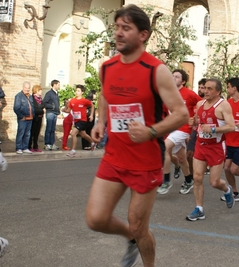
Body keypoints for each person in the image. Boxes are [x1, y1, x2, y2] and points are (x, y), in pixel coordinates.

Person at [85, 5, 189, 267]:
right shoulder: (107, 67)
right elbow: (106, 94)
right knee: (95, 219)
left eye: (126, 28)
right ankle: (129, 238)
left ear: (143, 34)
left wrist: (151, 131)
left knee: (139, 226)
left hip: (145, 161)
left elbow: (181, 114)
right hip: (114, 156)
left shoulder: (156, 70)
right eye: (117, 27)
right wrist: (101, 120)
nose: (118, 33)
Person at [186, 78, 236, 221]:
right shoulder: (200, 103)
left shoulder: (223, 106)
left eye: (209, 89)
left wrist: (214, 129)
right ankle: (199, 209)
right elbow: (199, 121)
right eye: (204, 88)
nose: (205, 91)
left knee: (214, 182)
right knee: (197, 177)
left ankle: (227, 190)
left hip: (216, 146)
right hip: (201, 144)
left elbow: (231, 126)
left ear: (218, 91)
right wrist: (194, 122)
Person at [157, 69, 201, 195]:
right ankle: (188, 180)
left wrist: (196, 118)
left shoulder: (189, 93)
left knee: (164, 149)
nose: (173, 78)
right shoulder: (169, 93)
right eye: (172, 76)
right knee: (181, 159)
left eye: (177, 76)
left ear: (183, 81)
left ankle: (166, 181)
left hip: (184, 128)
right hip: (172, 128)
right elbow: (165, 111)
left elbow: (202, 103)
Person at [62, 85, 95, 157]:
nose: (76, 92)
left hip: (82, 120)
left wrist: (91, 115)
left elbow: (92, 105)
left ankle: (73, 151)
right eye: (76, 90)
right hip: (76, 120)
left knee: (73, 133)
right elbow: (68, 111)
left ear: (82, 92)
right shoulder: (72, 101)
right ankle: (92, 142)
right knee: (83, 134)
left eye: (78, 91)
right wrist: (64, 109)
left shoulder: (84, 101)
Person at [186, 78, 206, 178]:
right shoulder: (195, 102)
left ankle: (200, 172)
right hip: (194, 131)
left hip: (206, 132)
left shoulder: (209, 103)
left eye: (203, 88)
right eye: (199, 87)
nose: (200, 89)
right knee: (188, 155)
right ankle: (191, 177)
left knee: (204, 157)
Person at [13, 81, 35, 154]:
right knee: (21, 133)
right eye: (26, 88)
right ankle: (19, 147)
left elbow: (32, 106)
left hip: (30, 118)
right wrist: (21, 116)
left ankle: (25, 147)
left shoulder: (30, 96)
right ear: (23, 87)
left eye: (28, 88)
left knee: (27, 134)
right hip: (23, 118)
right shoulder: (18, 96)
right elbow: (16, 108)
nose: (27, 89)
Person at [43, 80, 60, 150]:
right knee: (49, 128)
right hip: (50, 113)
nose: (59, 86)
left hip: (55, 113)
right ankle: (47, 144)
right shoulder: (49, 93)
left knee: (53, 129)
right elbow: (44, 102)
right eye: (58, 84)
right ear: (54, 85)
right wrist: (52, 106)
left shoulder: (56, 93)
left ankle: (52, 143)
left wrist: (58, 111)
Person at [28, 85, 45, 152]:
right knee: (32, 133)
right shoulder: (32, 98)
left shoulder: (40, 98)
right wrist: (42, 110)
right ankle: (29, 146)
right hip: (34, 118)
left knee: (37, 133)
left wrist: (41, 109)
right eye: (40, 90)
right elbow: (34, 109)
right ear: (36, 91)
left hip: (40, 117)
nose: (41, 92)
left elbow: (43, 105)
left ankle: (35, 146)